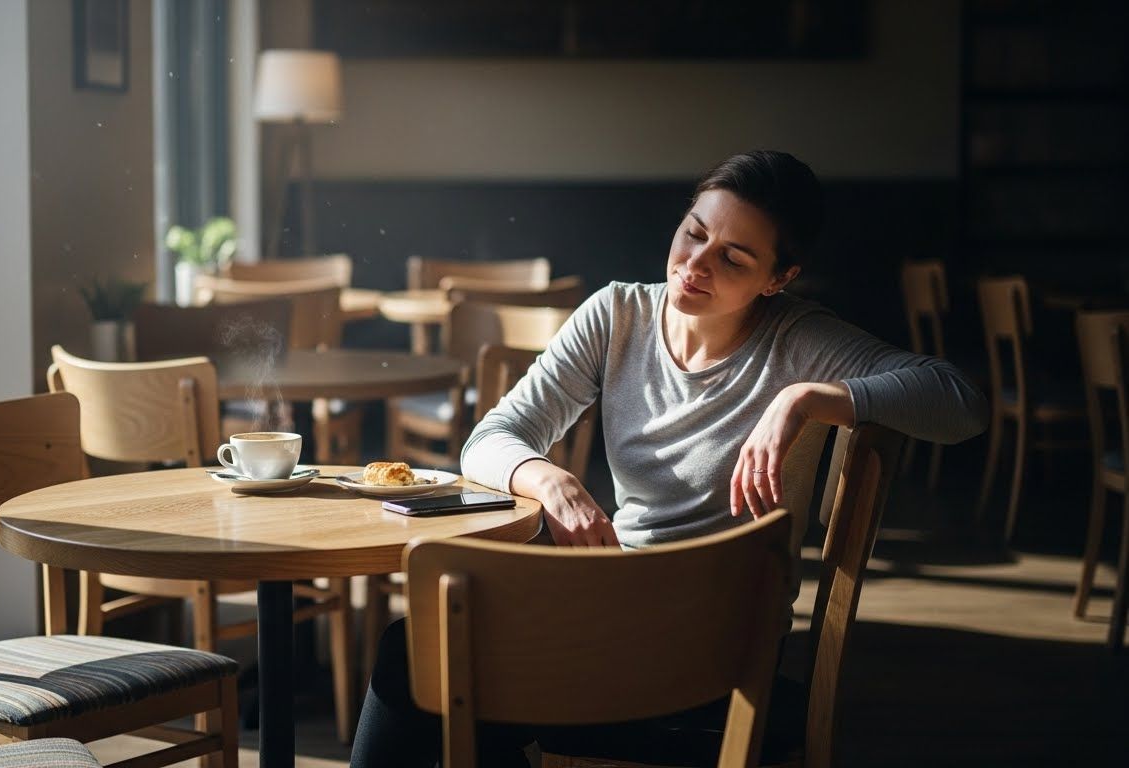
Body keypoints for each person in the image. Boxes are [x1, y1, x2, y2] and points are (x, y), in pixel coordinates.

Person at [349, 150, 988, 768]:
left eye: (733, 257)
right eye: (694, 233)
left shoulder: (801, 342)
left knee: (435, 671)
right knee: (425, 655)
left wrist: (808, 397)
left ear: (778, 279)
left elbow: (960, 402)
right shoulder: (617, 315)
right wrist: (550, 479)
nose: (695, 265)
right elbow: (488, 440)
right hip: (615, 620)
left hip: (716, 664)